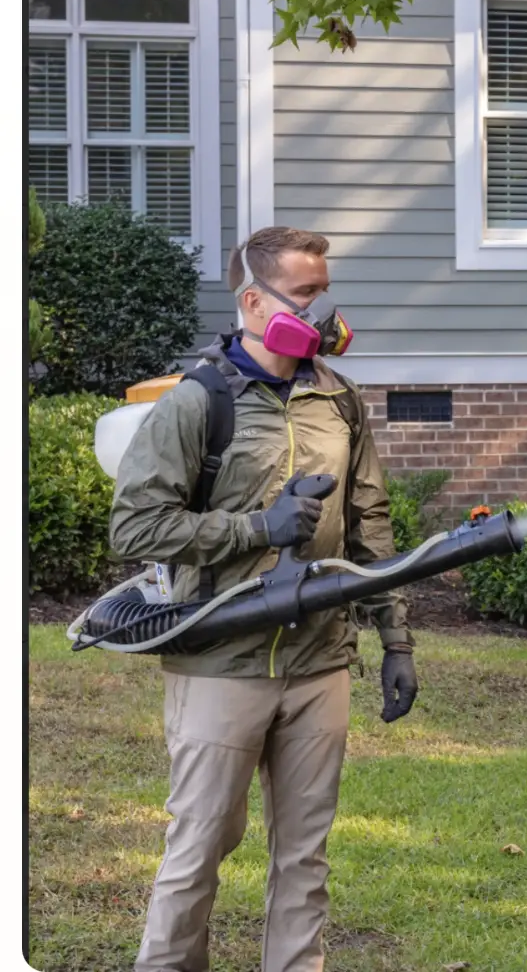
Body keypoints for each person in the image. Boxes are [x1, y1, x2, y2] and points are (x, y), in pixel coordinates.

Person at [109, 226, 417, 972]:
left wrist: (395, 639)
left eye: (324, 291)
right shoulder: (200, 402)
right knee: (198, 852)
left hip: (320, 662)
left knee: (305, 861)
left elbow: (369, 521)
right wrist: (259, 527)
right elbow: (134, 525)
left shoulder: (338, 399)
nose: (322, 310)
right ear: (254, 300)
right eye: (306, 294)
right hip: (223, 660)